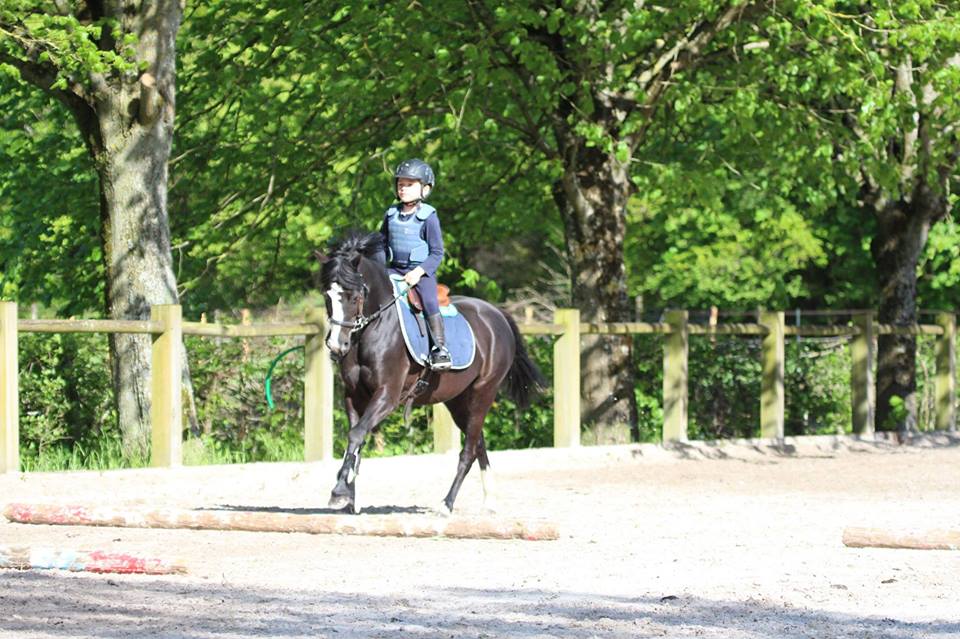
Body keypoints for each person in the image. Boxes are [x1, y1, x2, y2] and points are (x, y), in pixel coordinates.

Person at [378, 158, 452, 370]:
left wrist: (418, 272)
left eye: (409, 184)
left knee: (429, 301)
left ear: (425, 189)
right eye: (401, 184)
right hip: (394, 269)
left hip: (420, 273)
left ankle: (440, 348)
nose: (403, 188)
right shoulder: (391, 214)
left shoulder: (428, 216)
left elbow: (437, 253)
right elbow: (381, 245)